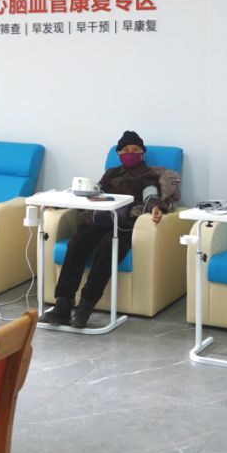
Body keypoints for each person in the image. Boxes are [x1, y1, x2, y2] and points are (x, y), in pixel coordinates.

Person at [39, 131, 181, 329]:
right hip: (99, 220)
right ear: (119, 153)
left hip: (124, 225)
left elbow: (151, 195)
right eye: (126, 150)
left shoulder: (147, 175)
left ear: (142, 153)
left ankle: (85, 307)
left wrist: (155, 208)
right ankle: (62, 304)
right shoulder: (111, 173)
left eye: (135, 150)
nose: (130, 153)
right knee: (78, 242)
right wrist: (59, 203)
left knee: (108, 247)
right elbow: (92, 192)